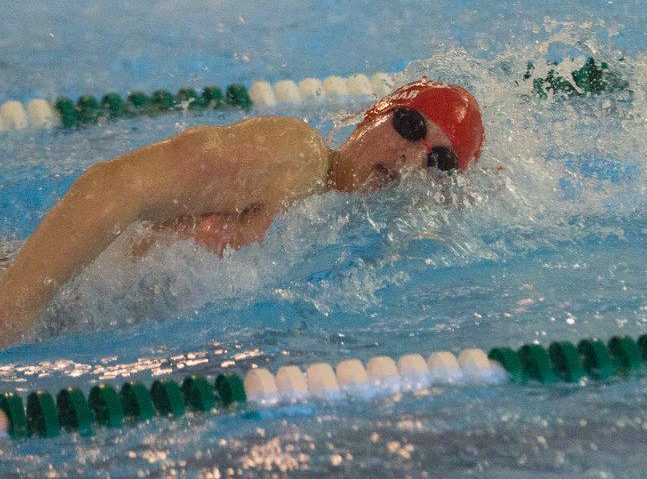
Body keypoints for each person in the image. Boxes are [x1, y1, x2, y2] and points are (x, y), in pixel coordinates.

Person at [0, 79, 484, 346]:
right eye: (408, 124)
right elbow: (115, 185)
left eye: (438, 162)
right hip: (34, 300)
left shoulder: (343, 230)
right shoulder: (295, 157)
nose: (411, 158)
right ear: (373, 114)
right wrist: (13, 309)